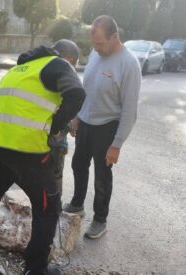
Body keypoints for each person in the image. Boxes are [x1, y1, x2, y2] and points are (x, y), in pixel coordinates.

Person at [0, 39, 85, 275]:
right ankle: (36, 269)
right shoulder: (59, 64)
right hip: (27, 150)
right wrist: (56, 125)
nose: (72, 66)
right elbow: (77, 94)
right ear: (69, 57)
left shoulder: (20, 68)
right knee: (48, 208)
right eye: (74, 62)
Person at [63, 15, 142, 239]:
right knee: (78, 164)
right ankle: (77, 204)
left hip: (107, 126)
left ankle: (100, 219)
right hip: (86, 122)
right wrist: (77, 117)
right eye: (93, 43)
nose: (95, 48)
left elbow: (129, 111)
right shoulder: (96, 56)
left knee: (102, 176)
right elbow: (87, 89)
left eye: (100, 43)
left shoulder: (129, 64)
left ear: (114, 37)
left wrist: (116, 144)